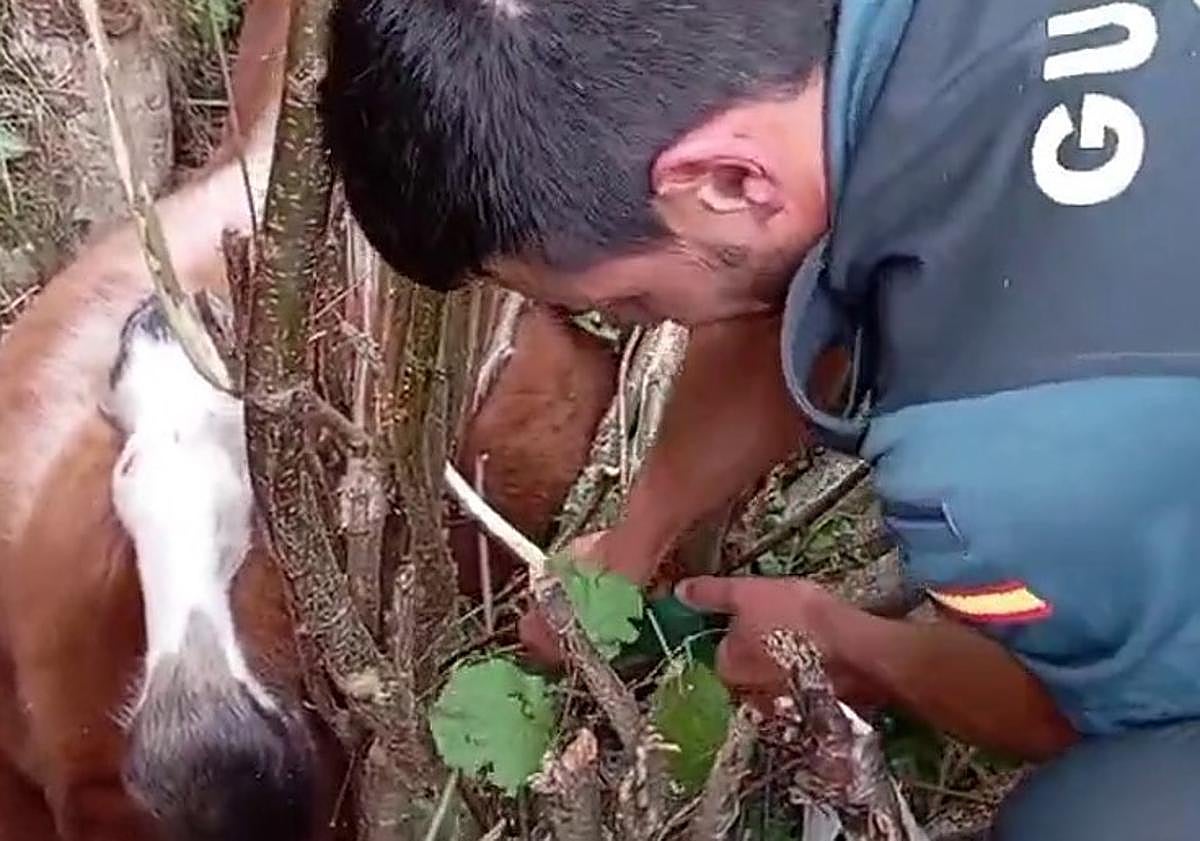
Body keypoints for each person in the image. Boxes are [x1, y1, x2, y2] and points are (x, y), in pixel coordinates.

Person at [319, 1, 1200, 836]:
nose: (653, 323)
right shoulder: (842, 68)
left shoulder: (1008, 472)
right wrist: (637, 536)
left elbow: (1069, 710)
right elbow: (780, 280)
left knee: (1102, 808)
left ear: (732, 176)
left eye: (629, 303)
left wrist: (860, 648)